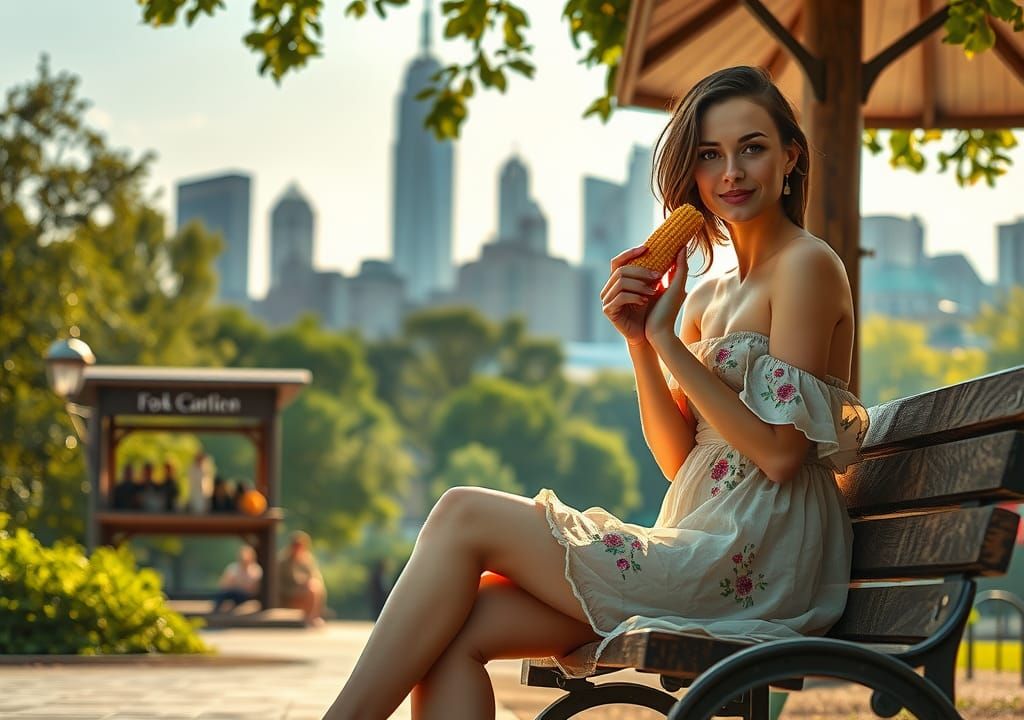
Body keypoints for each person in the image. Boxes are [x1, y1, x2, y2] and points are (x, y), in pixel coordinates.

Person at [322, 66, 871, 720]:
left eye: (751, 148)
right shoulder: (705, 297)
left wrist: (667, 342)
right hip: (696, 540)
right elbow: (680, 460)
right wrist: (640, 341)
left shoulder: (807, 266)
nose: (731, 172)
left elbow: (781, 455)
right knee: (449, 634)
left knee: (462, 512)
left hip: (760, 561)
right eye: (709, 155)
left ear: (791, 157)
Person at [277, 530, 327, 627]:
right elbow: (280, 583)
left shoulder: (307, 561)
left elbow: (315, 578)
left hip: (305, 591)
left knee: (315, 587)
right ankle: (308, 619)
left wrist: (306, 584)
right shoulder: (283, 562)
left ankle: (312, 617)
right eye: (296, 545)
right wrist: (298, 587)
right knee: (312, 589)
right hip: (287, 594)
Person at [211, 545, 263, 613]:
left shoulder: (256, 570)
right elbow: (223, 585)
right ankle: (215, 610)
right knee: (223, 594)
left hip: (245, 596)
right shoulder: (233, 568)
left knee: (238, 594)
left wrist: (239, 586)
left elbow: (254, 589)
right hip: (232, 592)